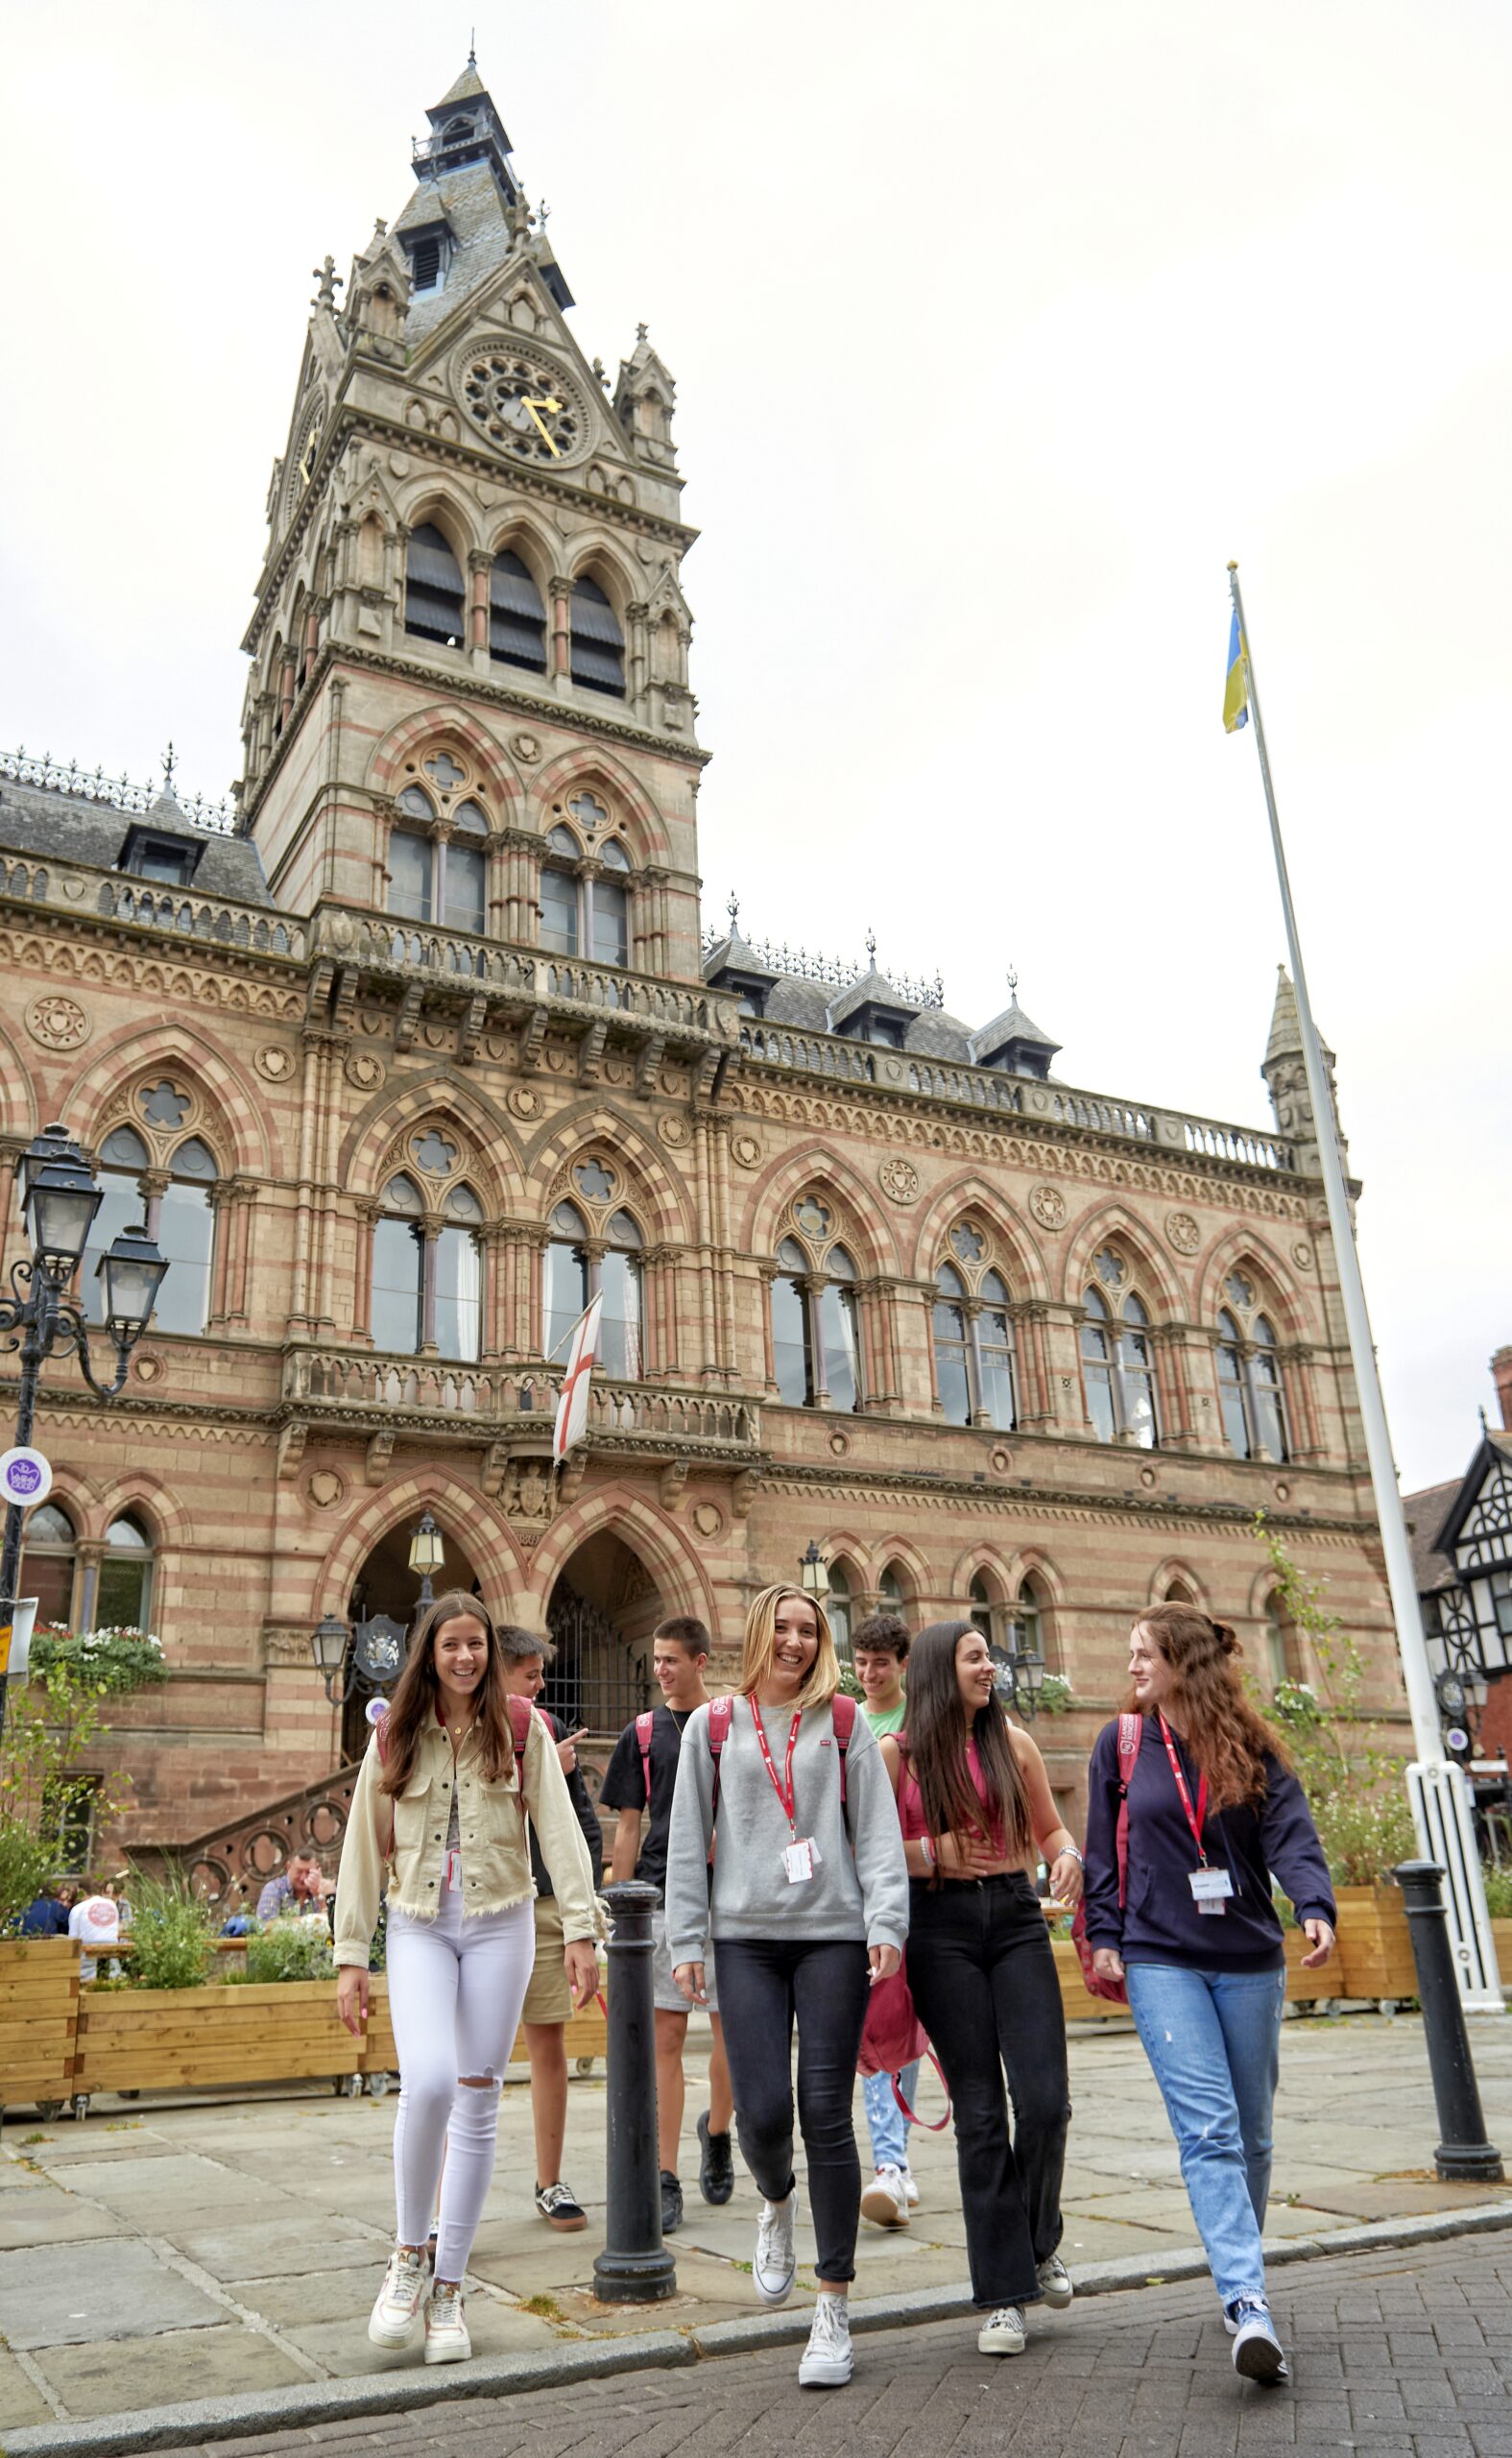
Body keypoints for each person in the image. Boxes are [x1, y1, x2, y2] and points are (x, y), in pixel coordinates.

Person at [334, 1591, 599, 2366]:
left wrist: (582, 1929)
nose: (464, 1657)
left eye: (475, 1645)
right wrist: (352, 1955)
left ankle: (450, 2290)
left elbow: (557, 1827)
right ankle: (409, 2255)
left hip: (501, 1923)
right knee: (429, 2084)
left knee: (478, 2096)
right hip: (418, 1921)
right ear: (429, 1651)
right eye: (450, 1644)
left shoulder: (520, 1729)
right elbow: (360, 1845)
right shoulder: (394, 1735)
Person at [1083, 1602, 1337, 2389]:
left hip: (1249, 1957)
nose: (1129, 1668)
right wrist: (1102, 1933)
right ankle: (1245, 2299)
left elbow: (1289, 1834)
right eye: (1129, 1654)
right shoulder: (1120, 1744)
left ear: (1182, 1664)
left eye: (1143, 1655)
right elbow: (1099, 1848)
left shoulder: (1250, 1745)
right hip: (1160, 1957)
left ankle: (1238, 2264)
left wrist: (1314, 1905)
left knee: (1252, 2137)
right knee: (1210, 2131)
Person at [667, 1581, 908, 2391]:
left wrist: (885, 1925)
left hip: (831, 1939)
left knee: (826, 2116)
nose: (797, 1642)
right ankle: (775, 2202)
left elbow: (875, 1836)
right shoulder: (713, 1726)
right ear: (758, 1635)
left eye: (810, 1630)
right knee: (763, 2115)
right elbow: (684, 1843)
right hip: (744, 1941)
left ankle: (832, 2305)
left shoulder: (842, 1724)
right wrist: (686, 1938)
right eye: (784, 1628)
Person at [878, 1621, 1081, 2357]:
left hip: (1018, 1921)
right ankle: (1002, 2297)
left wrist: (1067, 1858)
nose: (989, 1666)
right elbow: (857, 1849)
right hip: (941, 1932)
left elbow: (1052, 1831)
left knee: (1046, 2101)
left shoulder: (1014, 1744)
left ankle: (1037, 2242)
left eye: (989, 1656)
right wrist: (928, 1851)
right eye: (974, 1657)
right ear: (941, 1669)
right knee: (979, 2112)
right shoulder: (895, 1755)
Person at [600, 1615, 736, 2232]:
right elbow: (628, 1826)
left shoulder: (732, 1726)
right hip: (658, 1895)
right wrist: (620, 1908)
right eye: (655, 1660)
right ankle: (667, 2175)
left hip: (730, 1894)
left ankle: (718, 2130)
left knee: (733, 2030)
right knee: (667, 2040)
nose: (660, 1669)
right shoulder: (644, 1732)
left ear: (700, 1662)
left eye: (671, 1660)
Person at [497, 1626, 604, 2234]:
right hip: (480, 1907)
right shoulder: (463, 1729)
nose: (541, 1685)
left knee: (549, 2046)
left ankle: (549, 2179)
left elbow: (580, 1829)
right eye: (530, 1675)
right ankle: (437, 2210)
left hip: (541, 1904)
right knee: (463, 2066)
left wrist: (579, 1917)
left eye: (541, 1674)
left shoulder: (553, 1730)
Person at [851, 1611, 922, 2229]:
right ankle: (890, 2162)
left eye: (881, 1663)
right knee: (879, 2023)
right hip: (863, 1892)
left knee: (909, 2026)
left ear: (904, 1665)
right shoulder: (846, 1721)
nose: (870, 1674)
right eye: (862, 1663)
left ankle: (896, 2156)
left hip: (923, 1887)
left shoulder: (923, 1722)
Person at [67, 1881, 120, 1981]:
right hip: (113, 1969)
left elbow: (72, 1940)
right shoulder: (112, 1905)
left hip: (86, 1972)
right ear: (100, 1891)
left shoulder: (78, 1909)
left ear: (82, 1892)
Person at [256, 1851, 327, 1922]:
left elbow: (333, 1921)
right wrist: (307, 1920)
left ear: (317, 1869)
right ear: (288, 1867)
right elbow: (265, 1923)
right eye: (299, 1872)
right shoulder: (274, 1888)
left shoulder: (326, 1889)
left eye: (308, 1872)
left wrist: (319, 1896)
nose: (303, 1878)